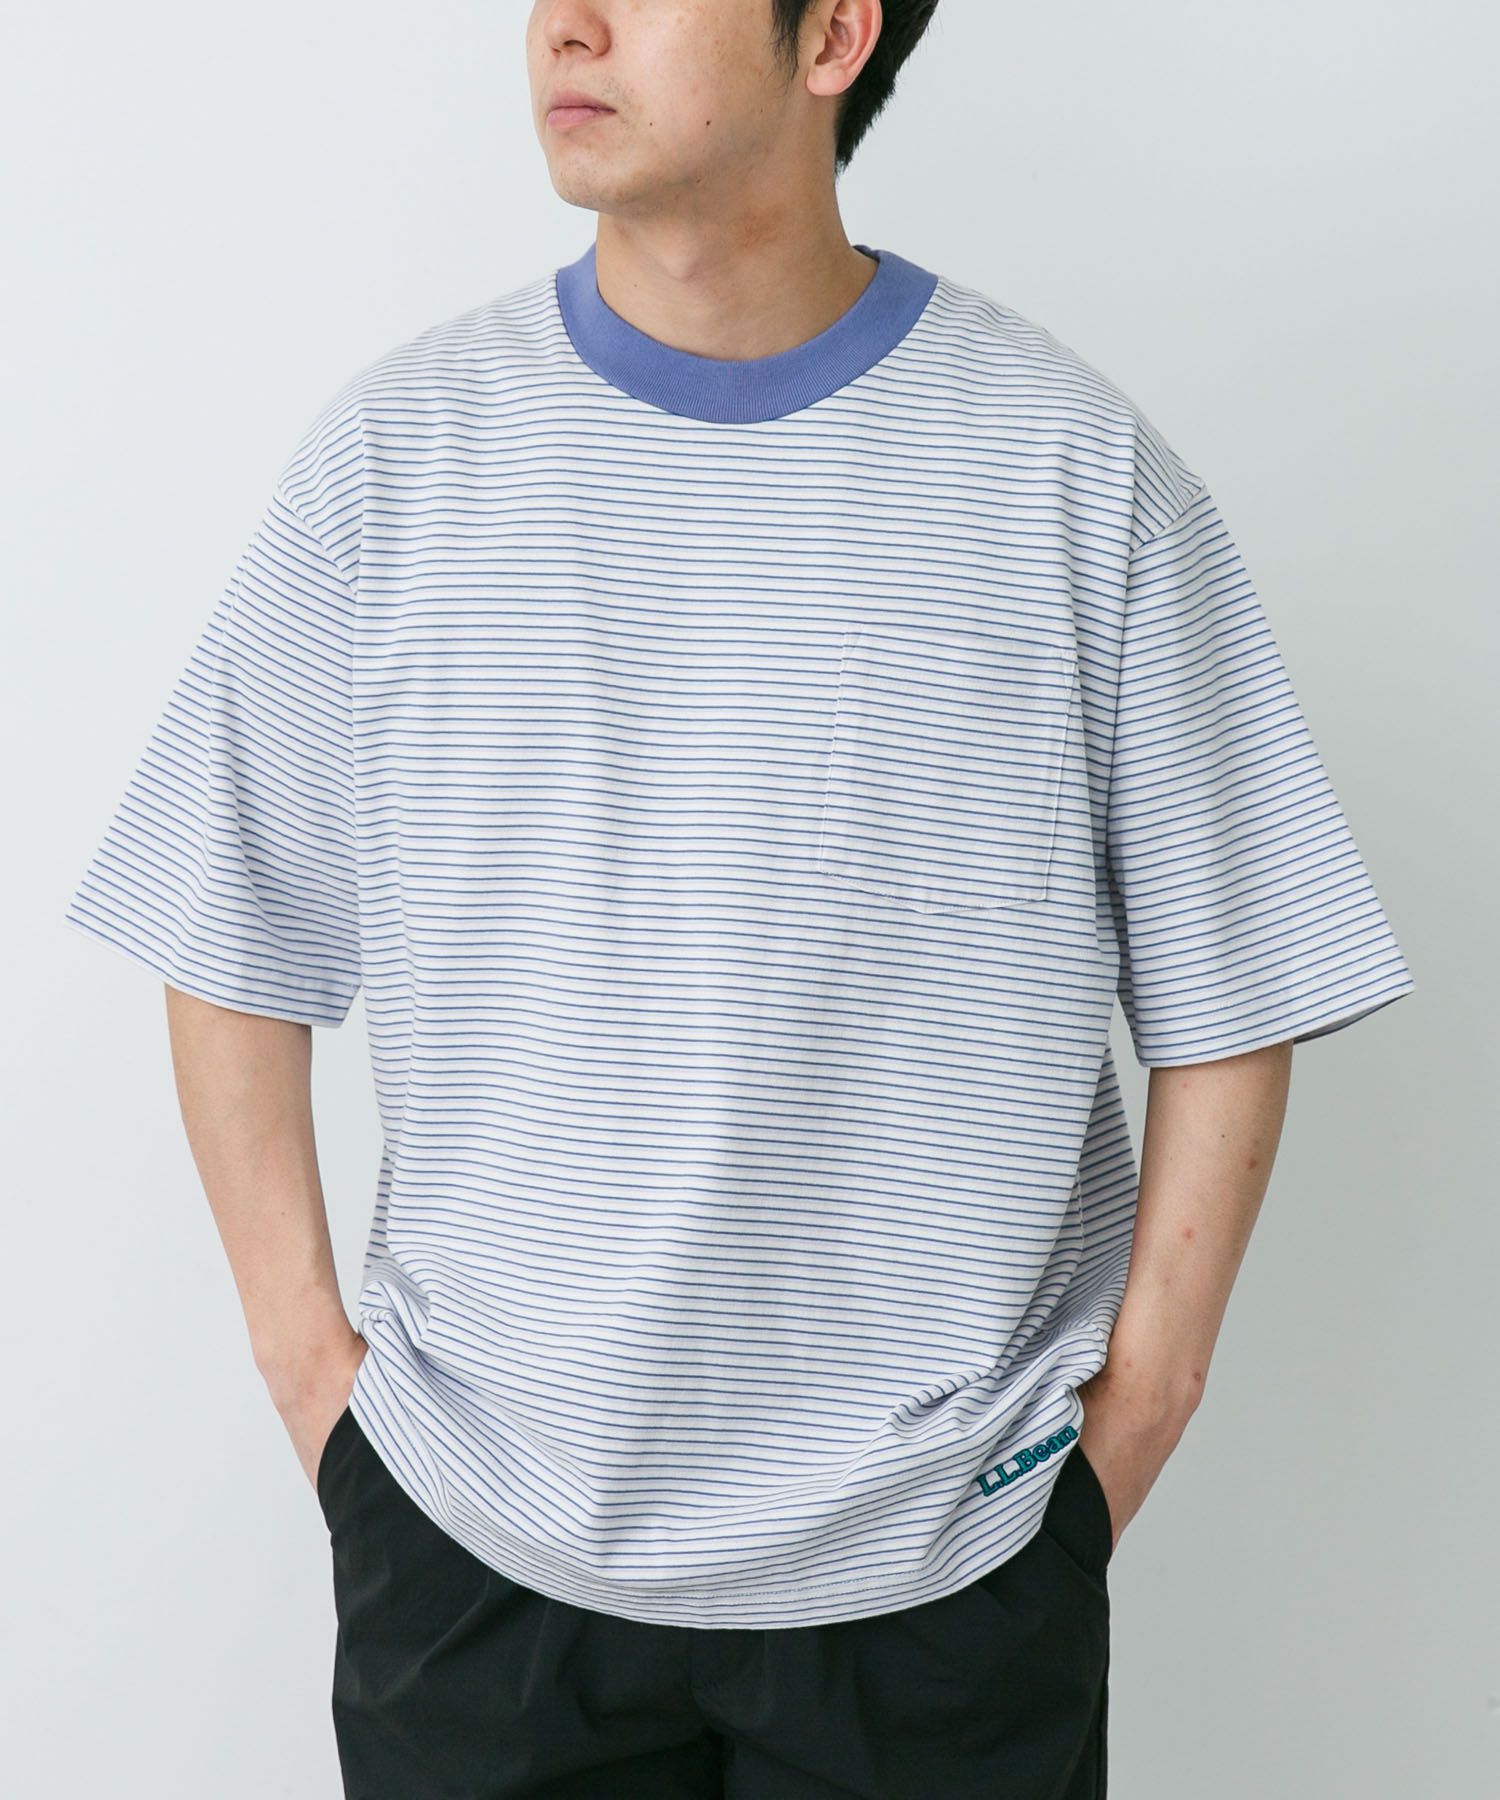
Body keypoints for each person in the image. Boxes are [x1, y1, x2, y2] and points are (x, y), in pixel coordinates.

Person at [63, 2, 1415, 1795]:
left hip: (944, 1572)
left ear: (833, 32)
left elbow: (1237, 982)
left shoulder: (1074, 476)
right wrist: (323, 1391)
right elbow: (226, 927)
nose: (565, 24)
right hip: (477, 1548)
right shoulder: (398, 463)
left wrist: (1130, 1426)